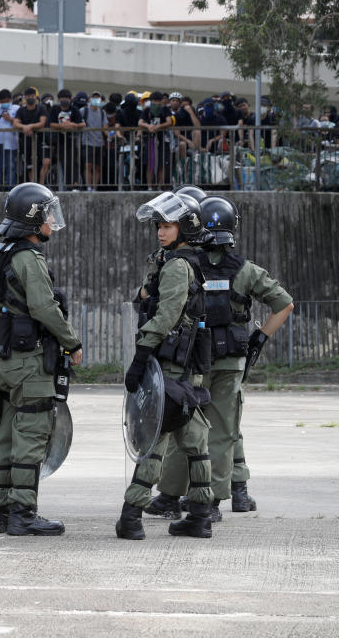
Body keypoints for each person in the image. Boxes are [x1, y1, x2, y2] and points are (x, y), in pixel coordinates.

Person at [146, 196, 293, 520]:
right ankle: (209, 503)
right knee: (223, 432)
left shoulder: (184, 264)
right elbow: (285, 304)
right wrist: (259, 339)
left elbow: (154, 300)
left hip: (190, 360)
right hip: (229, 362)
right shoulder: (246, 270)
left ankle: (169, 497)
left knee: (179, 425)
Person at [0, 183, 82, 536]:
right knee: (32, 434)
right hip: (30, 362)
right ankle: (23, 513)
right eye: (48, 213)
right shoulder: (29, 258)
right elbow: (44, 307)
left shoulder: (2, 252)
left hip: (4, 360)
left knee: (4, 434)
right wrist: (71, 342)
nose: (52, 220)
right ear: (34, 218)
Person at [116, 191, 215, 541]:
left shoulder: (177, 265)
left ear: (185, 227)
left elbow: (167, 315)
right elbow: (148, 298)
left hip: (171, 365)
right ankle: (200, 516)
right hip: (186, 368)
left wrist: (142, 354)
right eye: (159, 224)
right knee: (194, 439)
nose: (160, 231)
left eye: (168, 225)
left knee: (153, 436)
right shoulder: (180, 261)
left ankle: (131, 516)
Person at [47, 90, 84, 189]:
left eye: (67, 98)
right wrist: (61, 126)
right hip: (58, 141)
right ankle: (59, 186)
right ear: (59, 99)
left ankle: (74, 186)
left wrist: (73, 125)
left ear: (71, 99)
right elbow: (51, 123)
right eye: (62, 98)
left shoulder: (74, 109)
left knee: (73, 163)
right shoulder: (55, 109)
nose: (65, 100)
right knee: (61, 164)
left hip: (72, 140)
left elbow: (82, 124)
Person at [13, 88, 48, 184]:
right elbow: (15, 123)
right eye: (28, 97)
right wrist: (24, 127)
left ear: (36, 97)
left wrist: (30, 126)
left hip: (41, 140)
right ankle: (33, 185)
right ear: (25, 98)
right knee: (30, 166)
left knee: (44, 163)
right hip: (26, 141)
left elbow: (42, 123)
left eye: (32, 96)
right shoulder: (21, 110)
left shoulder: (41, 108)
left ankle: (41, 185)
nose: (30, 98)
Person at [0, 89, 19, 187]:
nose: (4, 103)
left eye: (6, 101)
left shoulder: (16, 108)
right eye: (2, 101)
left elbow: (20, 122)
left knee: (11, 166)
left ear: (10, 99)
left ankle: (11, 187)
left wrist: (10, 119)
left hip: (11, 143)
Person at [81, 92, 106, 191]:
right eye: (94, 97)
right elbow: (78, 120)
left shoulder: (102, 112)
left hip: (100, 143)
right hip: (87, 142)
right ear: (90, 99)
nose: (96, 99)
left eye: (98, 98)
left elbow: (105, 127)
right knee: (88, 165)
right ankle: (88, 187)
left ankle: (94, 188)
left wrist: (112, 134)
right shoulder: (84, 110)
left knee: (98, 167)